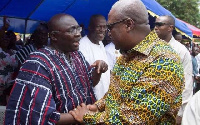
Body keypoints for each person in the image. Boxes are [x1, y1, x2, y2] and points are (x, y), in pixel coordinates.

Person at [69, 0, 184, 124]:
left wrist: (86, 117)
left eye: (110, 27)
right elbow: (116, 94)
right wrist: (98, 106)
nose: (108, 33)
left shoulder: (163, 61)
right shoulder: (127, 54)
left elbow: (133, 119)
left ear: (128, 25)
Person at [4, 13, 108, 125]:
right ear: (54, 36)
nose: (78, 34)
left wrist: (98, 72)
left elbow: (89, 84)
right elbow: (38, 116)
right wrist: (78, 116)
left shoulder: (77, 56)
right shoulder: (37, 63)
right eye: (72, 30)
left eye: (78, 29)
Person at [154, 15, 193, 124]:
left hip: (171, 110)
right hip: (150, 108)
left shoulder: (181, 51)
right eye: (155, 24)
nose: (155, 28)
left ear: (170, 28)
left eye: (159, 25)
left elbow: (187, 83)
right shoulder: (150, 48)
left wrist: (180, 113)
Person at [79, 15, 110, 100]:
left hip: (105, 96)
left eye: (104, 27)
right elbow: (84, 78)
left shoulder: (100, 43)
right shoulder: (82, 46)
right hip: (92, 99)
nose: (102, 30)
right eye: (99, 27)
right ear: (90, 27)